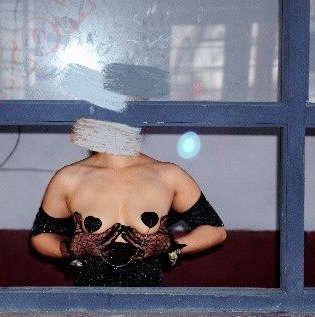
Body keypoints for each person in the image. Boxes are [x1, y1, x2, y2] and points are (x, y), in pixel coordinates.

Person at [29, 122, 226, 287]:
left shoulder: (168, 175)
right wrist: (72, 248)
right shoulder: (69, 178)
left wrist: (170, 246)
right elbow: (41, 236)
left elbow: (215, 230)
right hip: (90, 301)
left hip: (148, 302)